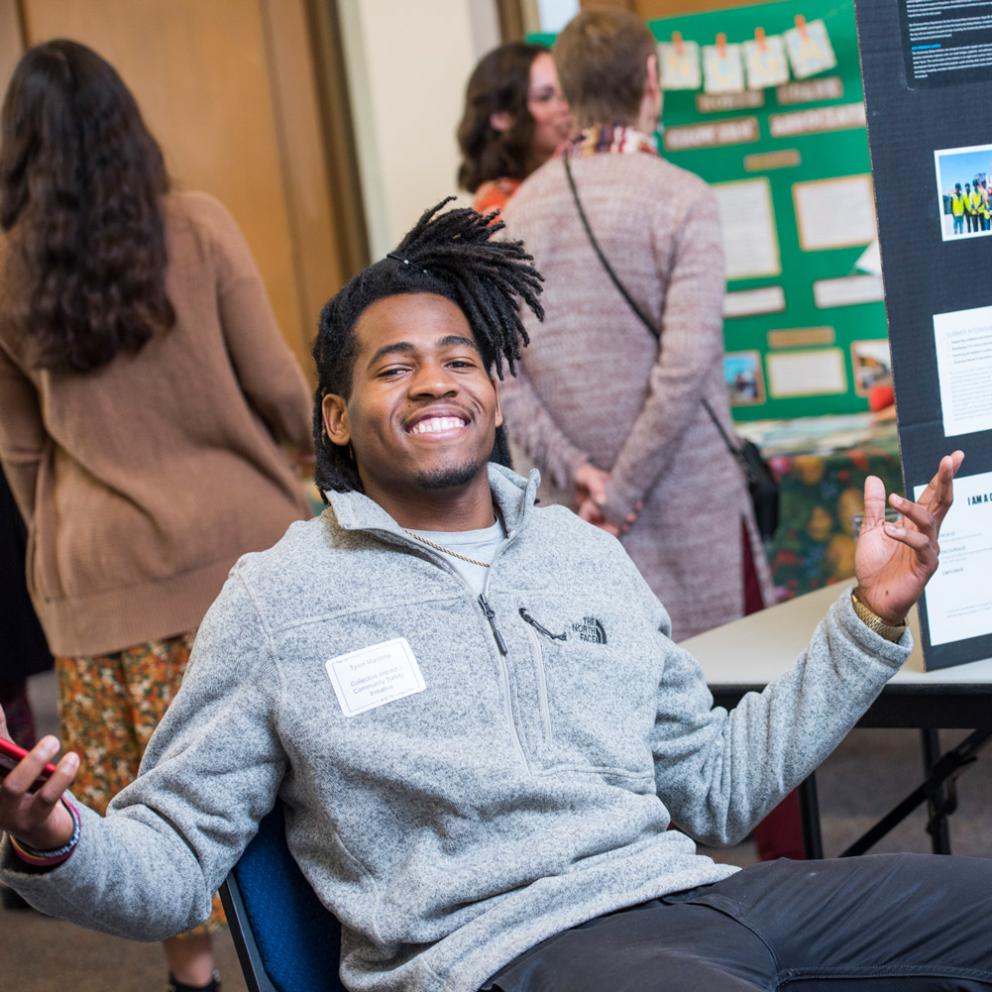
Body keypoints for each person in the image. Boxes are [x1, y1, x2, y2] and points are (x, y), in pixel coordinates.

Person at [0, 200, 984, 992]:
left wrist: (868, 618)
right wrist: (54, 837)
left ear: (495, 396)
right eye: (395, 367)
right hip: (502, 951)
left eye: (458, 359)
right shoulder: (277, 599)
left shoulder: (579, 554)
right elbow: (171, 858)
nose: (434, 382)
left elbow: (712, 787)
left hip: (690, 896)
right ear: (335, 417)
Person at [0, 40, 313, 990]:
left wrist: (62, 540)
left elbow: (19, 451)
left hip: (98, 580)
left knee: (148, 805)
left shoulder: (6, 270)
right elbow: (282, 392)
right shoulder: (201, 227)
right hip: (245, 557)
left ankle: (193, 974)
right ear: (126, 131)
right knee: (296, 785)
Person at [500, 10, 771, 643]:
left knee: (604, 699)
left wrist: (581, 477)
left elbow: (502, 374)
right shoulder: (683, 198)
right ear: (652, 78)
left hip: (570, 514)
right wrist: (620, 495)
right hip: (685, 498)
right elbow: (686, 366)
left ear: (566, 93)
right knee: (726, 701)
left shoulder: (516, 214)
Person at [457, 41, 570, 217]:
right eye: (544, 97)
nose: (566, 106)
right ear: (502, 117)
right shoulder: (498, 207)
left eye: (567, 93)